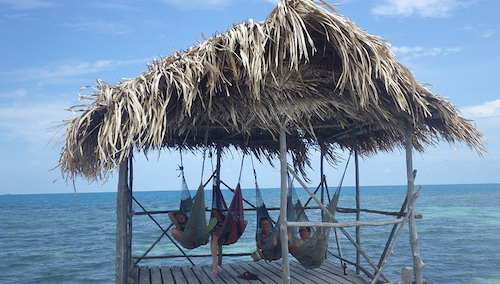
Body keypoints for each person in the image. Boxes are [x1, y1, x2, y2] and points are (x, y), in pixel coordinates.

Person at [210, 208, 248, 274]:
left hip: (229, 236)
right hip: (220, 238)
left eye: (216, 213)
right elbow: (211, 231)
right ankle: (215, 264)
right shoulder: (214, 224)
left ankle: (234, 236)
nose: (215, 215)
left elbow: (245, 222)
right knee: (214, 236)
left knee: (244, 223)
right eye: (213, 214)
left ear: (220, 213)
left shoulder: (227, 221)